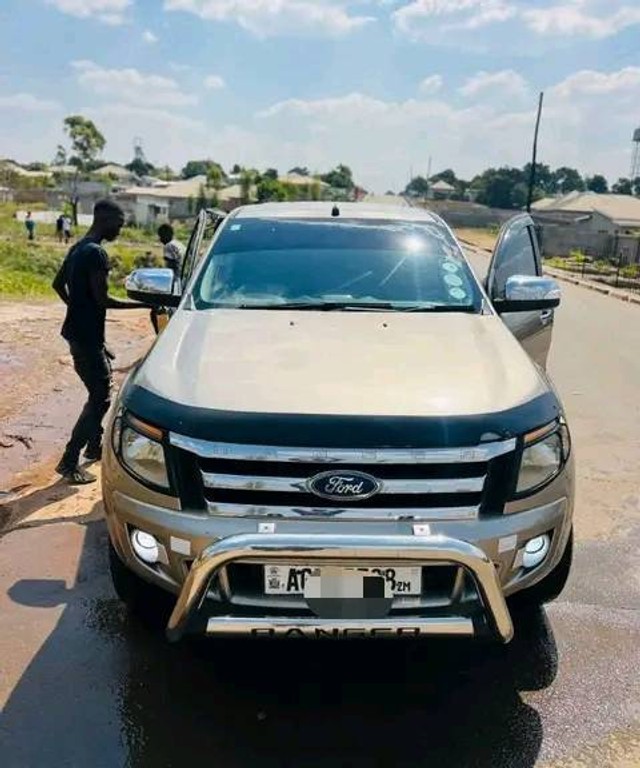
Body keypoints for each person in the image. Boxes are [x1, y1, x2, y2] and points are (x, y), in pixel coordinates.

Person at [52, 199, 148, 484]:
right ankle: (69, 460)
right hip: (86, 338)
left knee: (98, 391)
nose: (119, 230)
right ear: (105, 220)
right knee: (101, 397)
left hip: (80, 335)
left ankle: (94, 446)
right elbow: (103, 300)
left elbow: (57, 284)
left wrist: (77, 309)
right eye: (118, 224)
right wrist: (144, 304)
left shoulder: (78, 247)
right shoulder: (96, 253)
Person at [150, 223, 186, 334]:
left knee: (155, 310)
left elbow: (170, 270)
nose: (160, 239)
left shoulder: (169, 246)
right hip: (183, 281)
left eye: (161, 235)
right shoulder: (179, 244)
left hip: (176, 285)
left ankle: (161, 336)